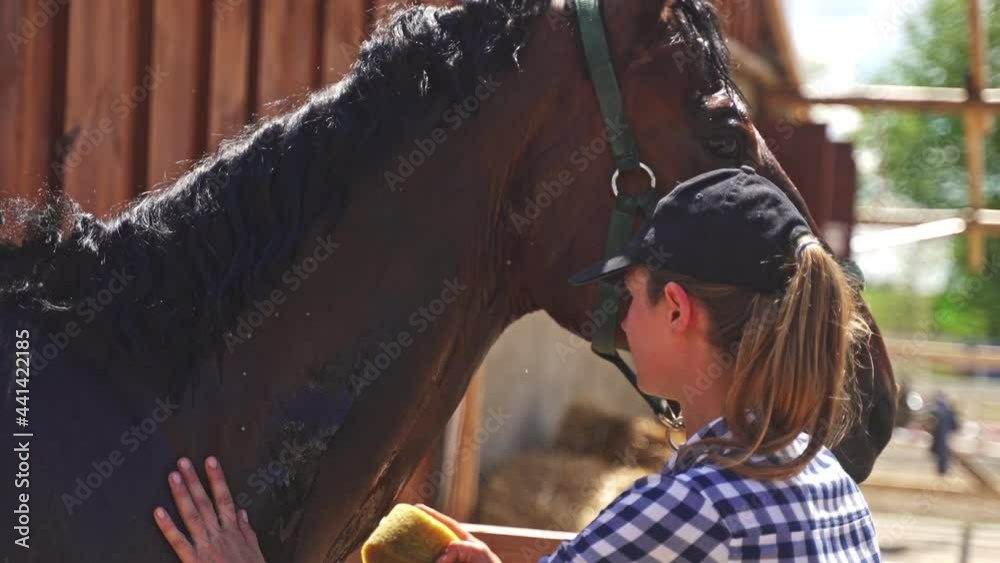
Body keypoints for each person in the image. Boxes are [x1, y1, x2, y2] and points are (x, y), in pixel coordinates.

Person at [153, 167, 881, 561]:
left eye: (630, 295)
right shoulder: (832, 485)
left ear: (678, 309)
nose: (621, 320)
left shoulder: (691, 505)